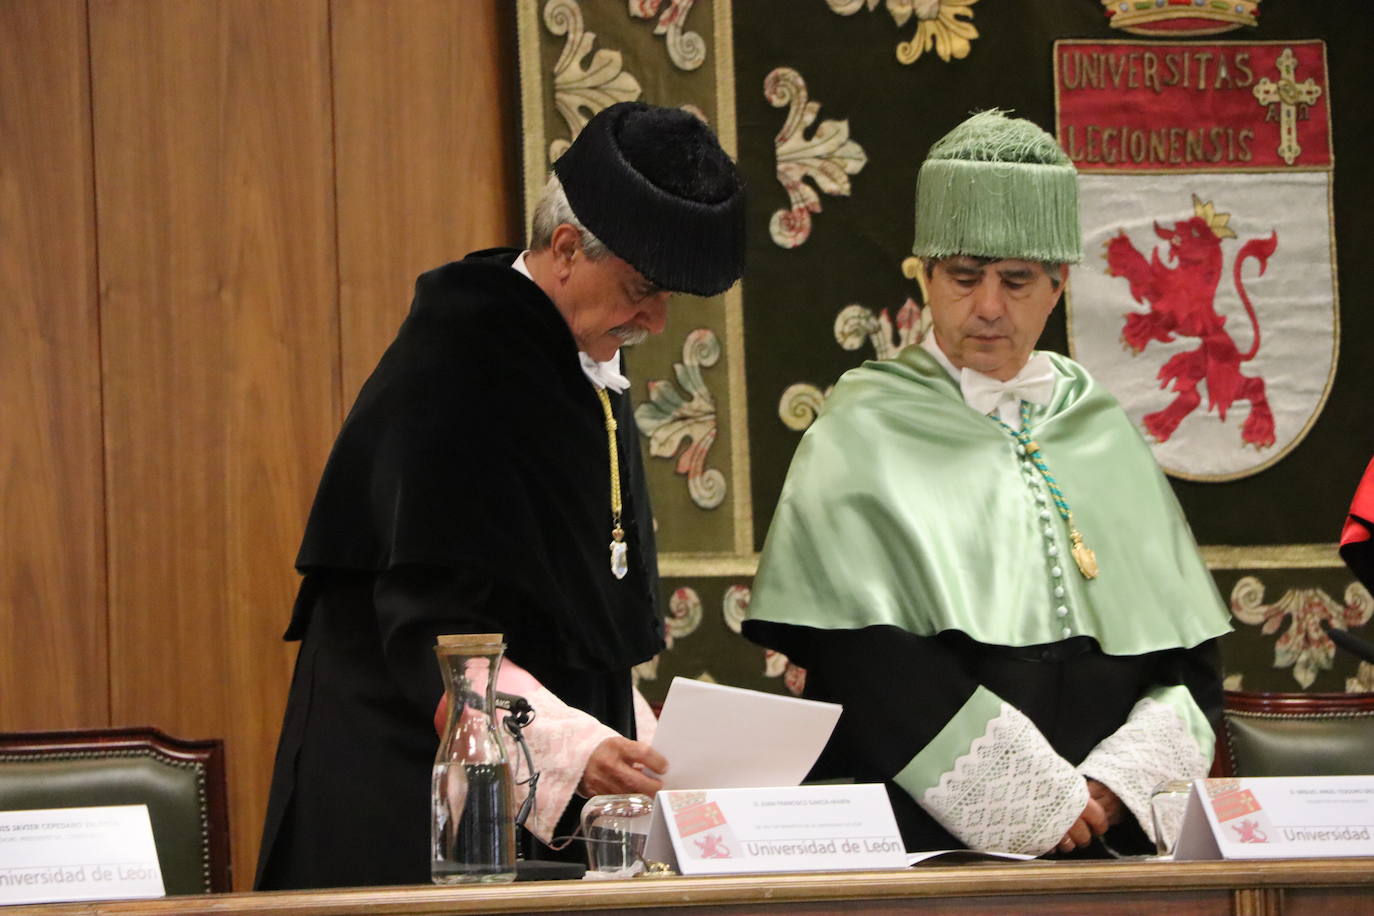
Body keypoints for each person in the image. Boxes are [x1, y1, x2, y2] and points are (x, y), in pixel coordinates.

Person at [256, 101, 746, 889]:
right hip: (404, 785)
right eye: (643, 289)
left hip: (517, 785)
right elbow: (433, 625)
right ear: (566, 249)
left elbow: (572, 613)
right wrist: (575, 746)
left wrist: (632, 735)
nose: (655, 320)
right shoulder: (461, 362)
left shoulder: (579, 357)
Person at [742, 110, 1230, 857]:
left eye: (1018, 280)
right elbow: (858, 654)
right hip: (929, 846)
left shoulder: (1098, 423)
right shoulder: (863, 426)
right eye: (965, 279)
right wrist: (1026, 796)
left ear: (1059, 285)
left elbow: (1186, 659)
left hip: (1105, 844)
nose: (990, 307)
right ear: (927, 276)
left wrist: (1114, 785)